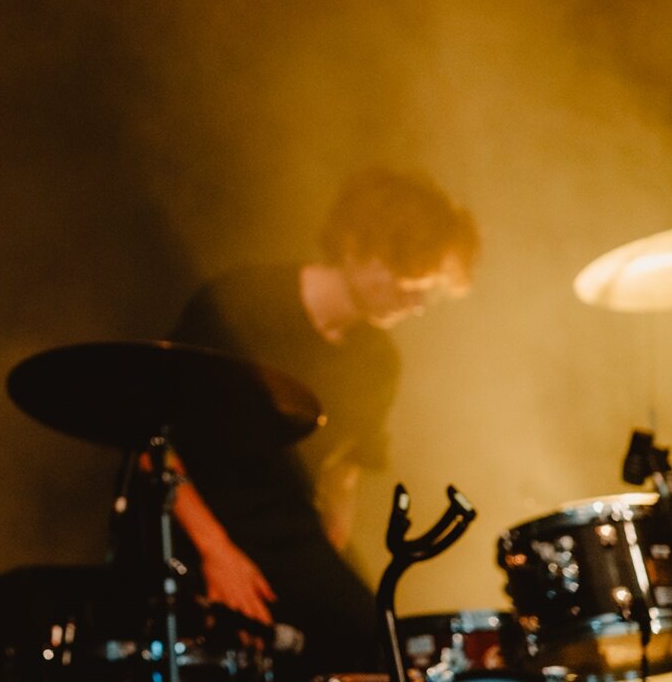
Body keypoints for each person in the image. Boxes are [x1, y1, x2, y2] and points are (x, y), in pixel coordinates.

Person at [162, 168, 478, 679]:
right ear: (356, 247)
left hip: (288, 534)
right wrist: (217, 554)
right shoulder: (241, 303)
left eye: (428, 288)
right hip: (192, 525)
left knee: (379, 648)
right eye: (408, 277)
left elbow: (344, 473)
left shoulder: (379, 360)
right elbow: (155, 442)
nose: (417, 302)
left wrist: (324, 570)